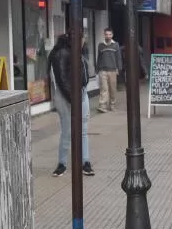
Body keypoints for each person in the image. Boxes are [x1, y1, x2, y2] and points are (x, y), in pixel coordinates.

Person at [48, 33, 94, 177]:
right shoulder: (62, 53)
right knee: (67, 131)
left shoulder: (76, 52)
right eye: (83, 39)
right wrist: (73, 100)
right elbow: (61, 80)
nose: (84, 41)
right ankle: (62, 163)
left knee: (83, 130)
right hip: (67, 97)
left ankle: (85, 161)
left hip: (81, 93)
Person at [96, 29, 122, 112]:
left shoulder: (116, 45)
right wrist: (97, 69)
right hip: (103, 70)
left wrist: (119, 68)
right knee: (104, 89)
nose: (108, 36)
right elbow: (99, 58)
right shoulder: (100, 45)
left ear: (112, 35)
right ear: (104, 35)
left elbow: (118, 57)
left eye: (109, 34)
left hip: (113, 70)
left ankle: (112, 105)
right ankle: (102, 106)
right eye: (106, 34)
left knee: (112, 89)